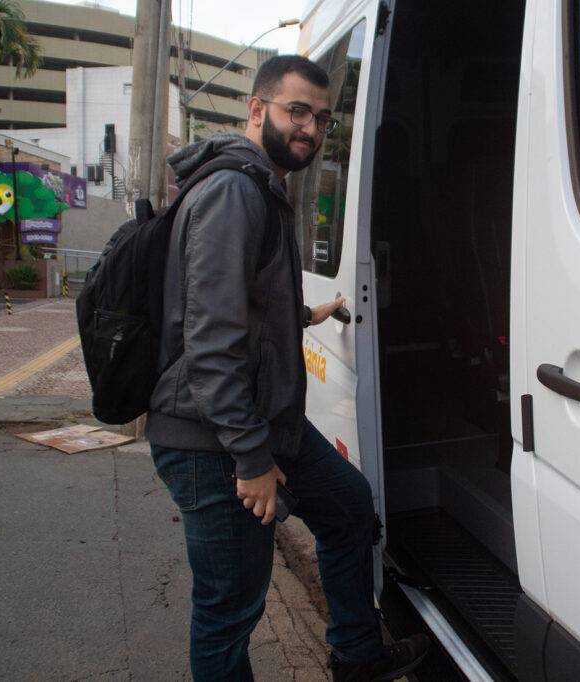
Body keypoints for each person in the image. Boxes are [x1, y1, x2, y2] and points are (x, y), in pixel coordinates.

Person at [146, 55, 429, 682]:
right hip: (213, 438)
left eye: (322, 119)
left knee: (349, 503)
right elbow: (211, 343)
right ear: (256, 109)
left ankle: (357, 655)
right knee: (229, 612)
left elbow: (240, 303)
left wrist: (304, 312)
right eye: (296, 110)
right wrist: (250, 461)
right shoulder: (233, 191)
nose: (310, 128)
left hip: (257, 422)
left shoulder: (258, 185)